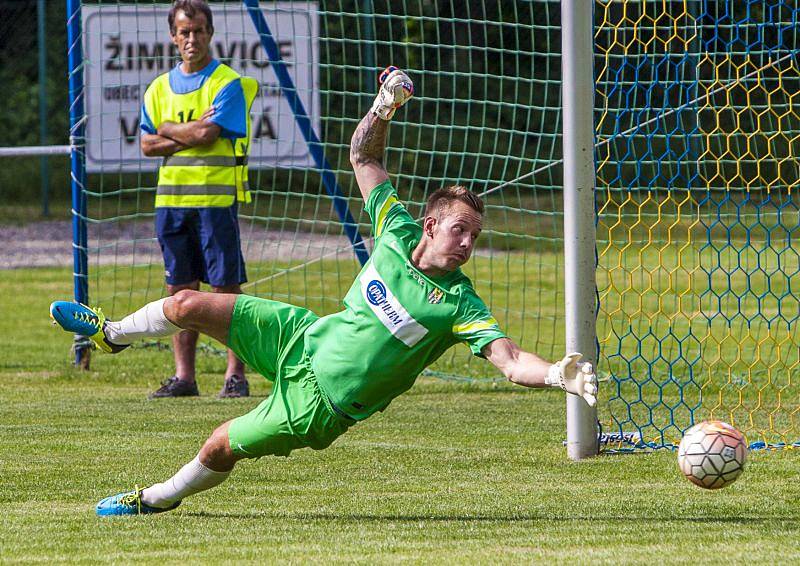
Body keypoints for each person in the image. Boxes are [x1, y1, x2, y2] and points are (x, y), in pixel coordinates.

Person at [49, 67, 597, 516]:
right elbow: (363, 157)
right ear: (430, 226)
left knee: (218, 445)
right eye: (460, 230)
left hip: (319, 405)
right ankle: (113, 335)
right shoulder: (398, 228)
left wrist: (554, 374)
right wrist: (382, 108)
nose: (468, 244)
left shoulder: (458, 303)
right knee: (186, 303)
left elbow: (509, 360)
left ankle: (155, 499)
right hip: (301, 336)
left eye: (475, 236)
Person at [139, 0, 255, 399]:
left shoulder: (227, 82)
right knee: (179, 291)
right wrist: (187, 128)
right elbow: (146, 144)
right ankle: (184, 378)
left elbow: (208, 137)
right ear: (173, 36)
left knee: (224, 291)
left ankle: (235, 377)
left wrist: (169, 128)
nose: (192, 38)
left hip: (215, 202)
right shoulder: (157, 88)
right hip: (170, 205)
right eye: (184, 31)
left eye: (199, 30)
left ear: (210, 32)